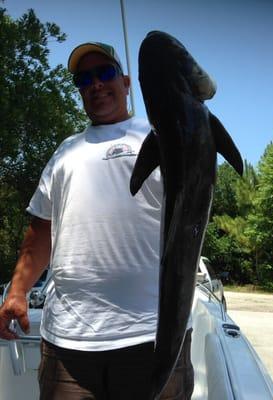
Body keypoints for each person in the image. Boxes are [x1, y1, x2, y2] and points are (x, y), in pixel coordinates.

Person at [0, 41, 215, 399]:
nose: (95, 84)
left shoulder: (165, 138)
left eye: (104, 73)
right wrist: (18, 291)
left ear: (127, 82)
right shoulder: (65, 152)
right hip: (68, 346)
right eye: (84, 78)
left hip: (152, 338)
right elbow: (41, 233)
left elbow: (196, 200)